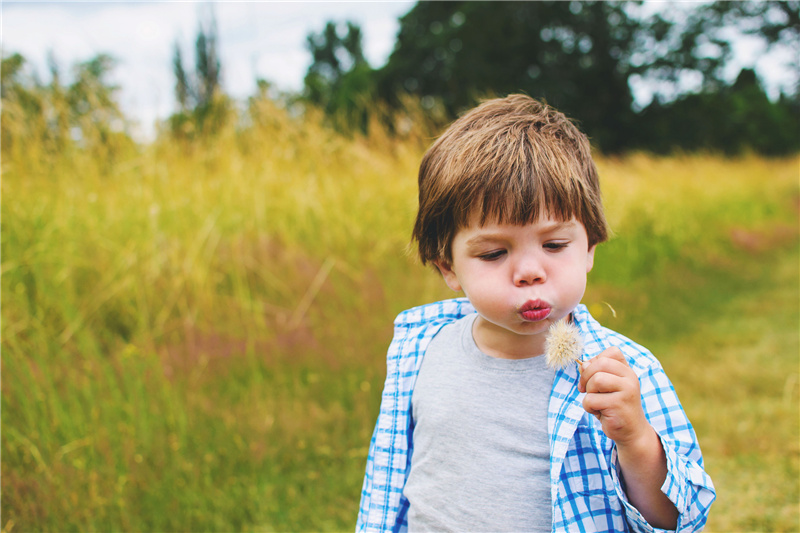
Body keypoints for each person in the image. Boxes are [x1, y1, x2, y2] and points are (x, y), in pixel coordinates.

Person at [356, 95, 715, 532]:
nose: (529, 272)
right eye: (493, 253)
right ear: (448, 267)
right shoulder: (420, 349)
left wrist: (636, 439)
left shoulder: (624, 373)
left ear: (590, 248)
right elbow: (388, 482)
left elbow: (678, 519)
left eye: (554, 245)